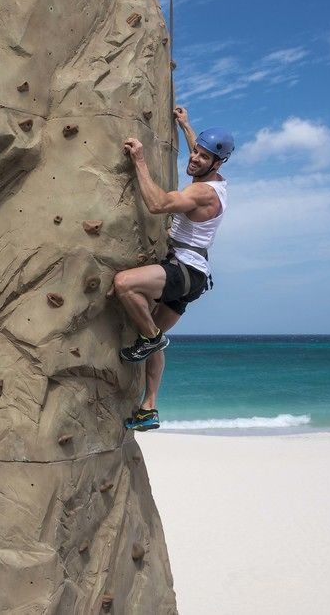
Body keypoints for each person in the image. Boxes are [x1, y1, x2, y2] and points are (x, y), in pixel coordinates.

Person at [110, 106, 233, 431]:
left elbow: (158, 205)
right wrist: (186, 125)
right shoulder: (216, 179)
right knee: (156, 333)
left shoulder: (202, 192)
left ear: (217, 164)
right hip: (196, 275)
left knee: (124, 284)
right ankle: (149, 408)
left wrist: (139, 161)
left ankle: (149, 339)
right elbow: (200, 151)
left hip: (184, 270)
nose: (195, 158)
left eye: (203, 157)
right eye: (195, 151)